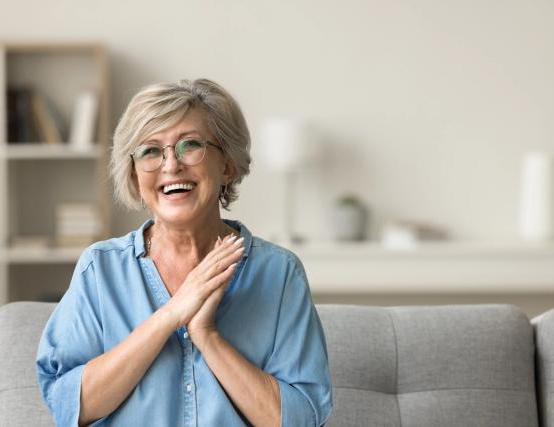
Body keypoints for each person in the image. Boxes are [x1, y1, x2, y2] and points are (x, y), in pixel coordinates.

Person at [36, 79, 332, 426]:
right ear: (134, 175)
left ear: (227, 165)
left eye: (189, 145)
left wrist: (207, 336)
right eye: (150, 151)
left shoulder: (279, 274)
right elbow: (70, 405)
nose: (171, 165)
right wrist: (171, 315)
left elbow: (301, 419)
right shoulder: (100, 269)